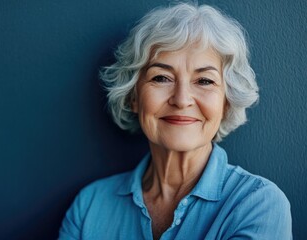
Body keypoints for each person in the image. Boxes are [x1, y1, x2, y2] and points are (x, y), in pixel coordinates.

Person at [59, 2, 292, 239]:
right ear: (133, 97)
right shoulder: (89, 206)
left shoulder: (258, 204)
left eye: (204, 81)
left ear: (226, 102)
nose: (181, 100)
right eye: (161, 78)